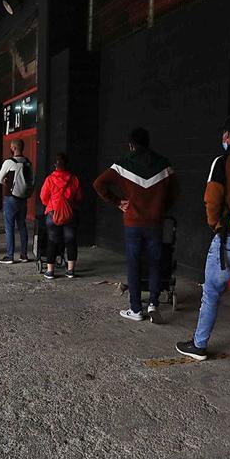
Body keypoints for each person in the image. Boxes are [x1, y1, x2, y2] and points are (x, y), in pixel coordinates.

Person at [174, 116, 230, 377]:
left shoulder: (223, 161)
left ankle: (199, 344)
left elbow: (212, 198)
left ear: (227, 136)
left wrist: (215, 225)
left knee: (211, 292)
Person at [94, 127, 176, 323]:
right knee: (155, 262)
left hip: (133, 223)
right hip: (155, 222)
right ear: (148, 142)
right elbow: (174, 193)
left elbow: (98, 184)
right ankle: (154, 303)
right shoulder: (164, 165)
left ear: (131, 145)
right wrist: (160, 208)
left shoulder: (122, 164)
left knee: (134, 263)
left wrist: (117, 202)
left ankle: (136, 309)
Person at [39, 153, 83, 279]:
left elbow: (43, 197)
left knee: (52, 241)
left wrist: (53, 205)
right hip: (70, 214)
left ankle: (50, 271)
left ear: (55, 164)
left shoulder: (49, 179)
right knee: (71, 241)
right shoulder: (74, 179)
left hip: (53, 213)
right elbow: (79, 197)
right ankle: (70, 270)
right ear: (67, 164)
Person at [0, 139, 34, 264]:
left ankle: (9, 255)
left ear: (13, 148)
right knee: (22, 226)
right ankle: (24, 255)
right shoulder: (27, 162)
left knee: (9, 227)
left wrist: (5, 182)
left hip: (10, 197)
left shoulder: (9, 162)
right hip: (23, 198)